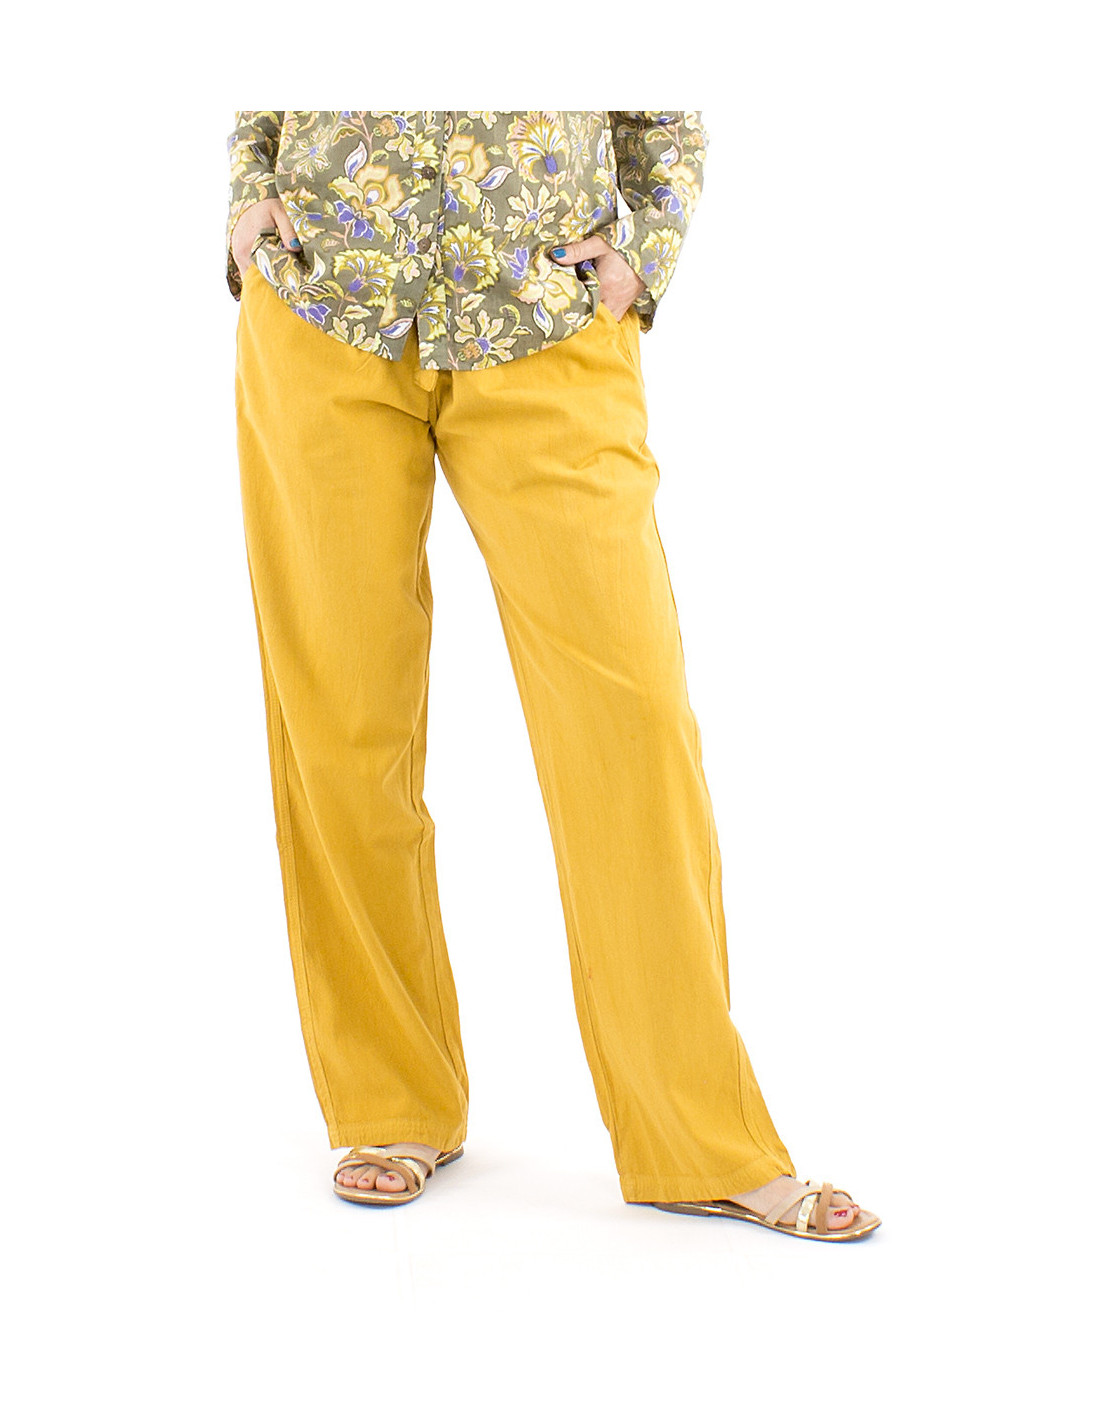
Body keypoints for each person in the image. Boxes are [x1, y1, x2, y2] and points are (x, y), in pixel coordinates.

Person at [226, 110, 880, 1241]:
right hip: (325, 304)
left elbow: (662, 101)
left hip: (544, 316)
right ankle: (389, 1102)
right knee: (338, 720)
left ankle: (700, 1139)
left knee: (629, 723)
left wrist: (646, 250)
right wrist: (249, 196)